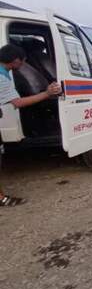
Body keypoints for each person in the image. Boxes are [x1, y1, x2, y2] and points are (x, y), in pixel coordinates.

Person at [0, 44, 62, 207]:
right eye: (22, 62)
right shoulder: (1, 77)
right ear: (15, 61)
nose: (23, 65)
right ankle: (1, 198)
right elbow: (18, 103)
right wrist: (47, 94)